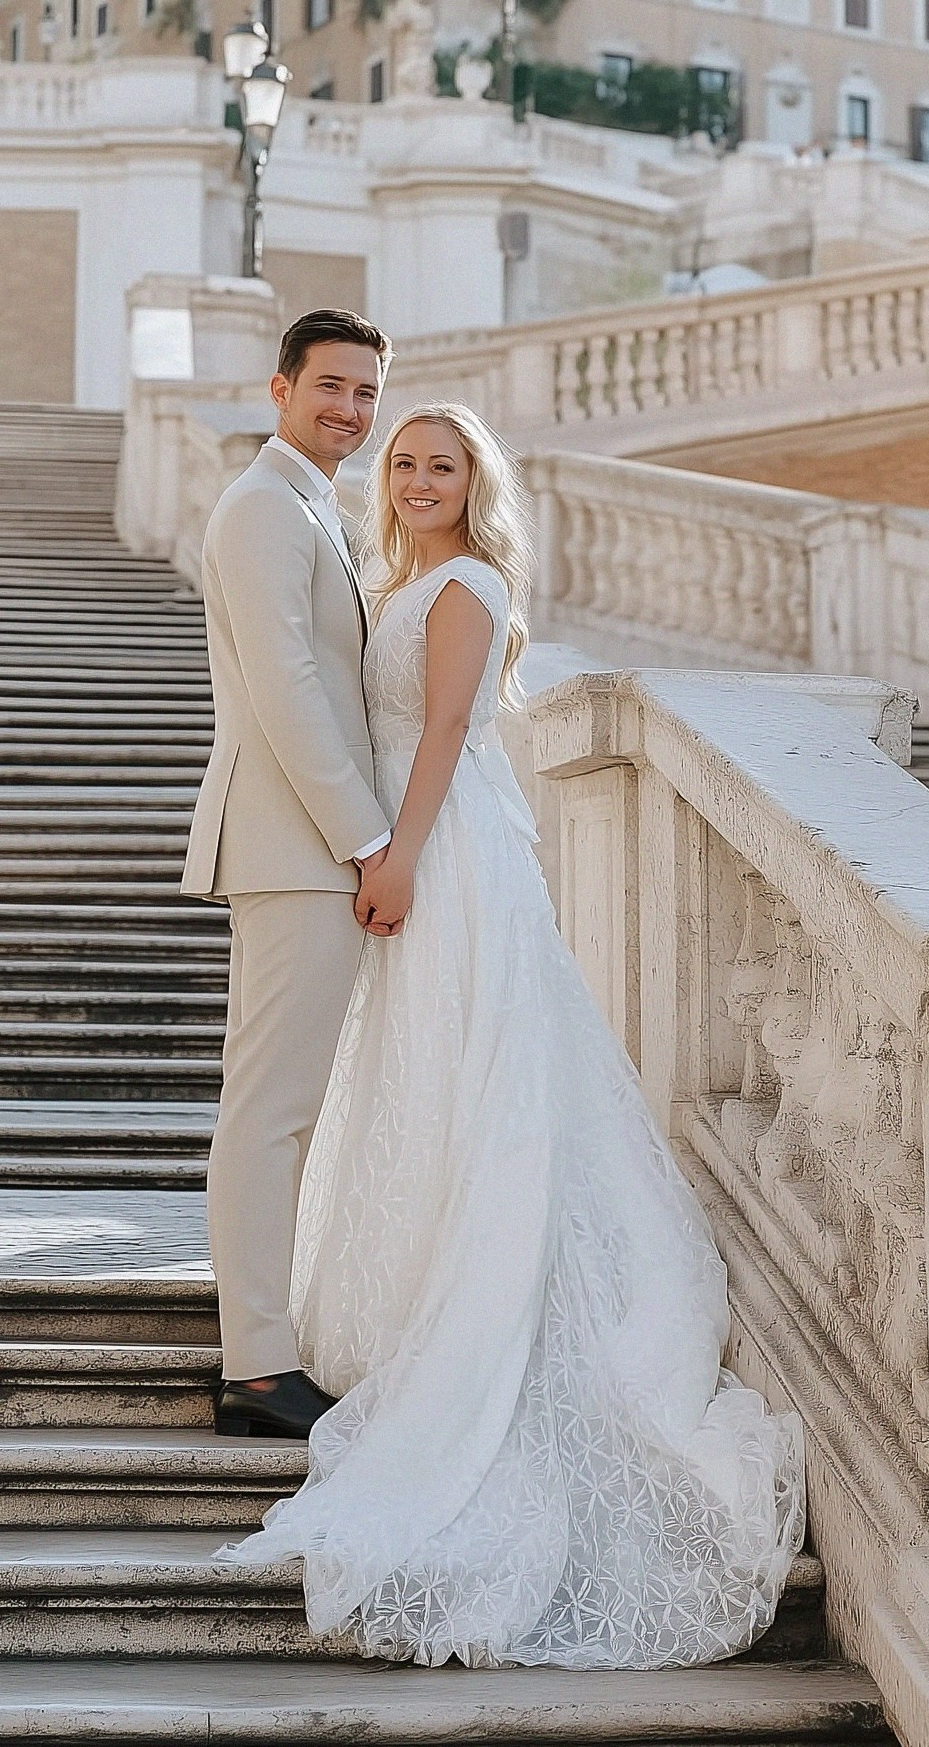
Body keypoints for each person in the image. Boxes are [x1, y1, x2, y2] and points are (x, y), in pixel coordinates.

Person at [229, 400, 805, 1668]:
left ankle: (475, 1314)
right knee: (412, 1081)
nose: (422, 478)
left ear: (474, 483)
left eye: (444, 464)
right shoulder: (403, 576)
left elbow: (439, 734)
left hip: (445, 853)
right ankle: (402, 1297)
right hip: (403, 840)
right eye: (407, 463)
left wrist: (399, 859)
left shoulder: (466, 586)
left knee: (467, 1076)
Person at [182, 307, 395, 1442]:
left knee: (290, 1107)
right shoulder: (264, 506)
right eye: (328, 387)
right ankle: (256, 1365)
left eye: (365, 393)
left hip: (310, 842)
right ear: (278, 389)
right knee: (268, 1111)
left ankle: (275, 1337)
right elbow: (286, 691)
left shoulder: (319, 504)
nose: (348, 411)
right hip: (293, 843)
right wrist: (367, 840)